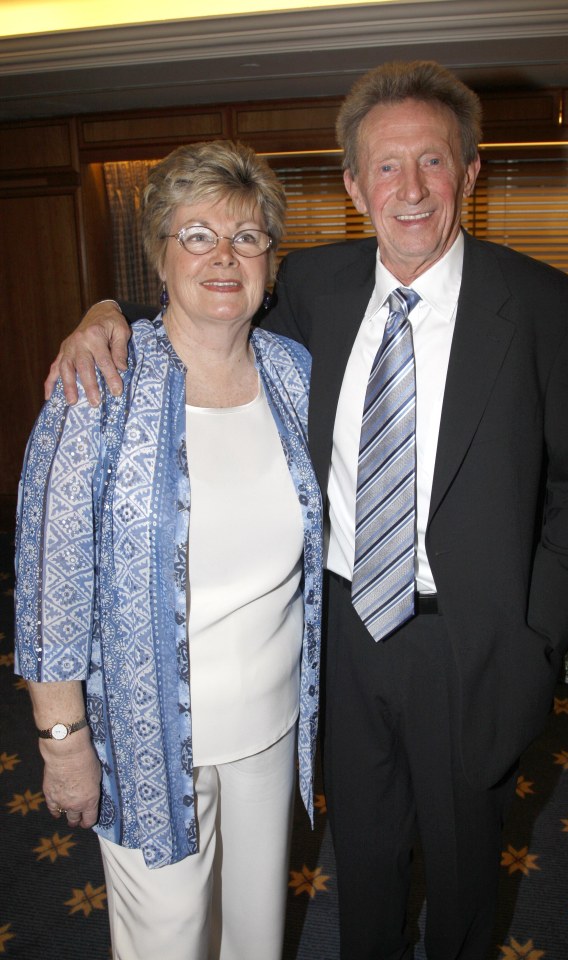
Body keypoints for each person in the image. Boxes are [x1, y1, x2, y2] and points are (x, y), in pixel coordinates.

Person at [45, 60, 568, 960]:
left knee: (469, 875)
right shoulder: (313, 286)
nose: (412, 189)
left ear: (470, 172)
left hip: (476, 648)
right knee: (365, 862)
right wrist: (102, 311)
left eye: (433, 162)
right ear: (354, 185)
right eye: (386, 167)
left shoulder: (549, 308)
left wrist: (535, 646)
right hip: (339, 640)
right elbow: (202, 288)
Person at [15, 139, 323, 960]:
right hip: (147, 744)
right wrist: (63, 743)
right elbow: (49, 584)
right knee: (169, 943)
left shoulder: (293, 374)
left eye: (248, 237)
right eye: (196, 235)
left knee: (255, 936)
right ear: (159, 253)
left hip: (272, 726)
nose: (224, 256)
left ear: (270, 260)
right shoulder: (98, 386)